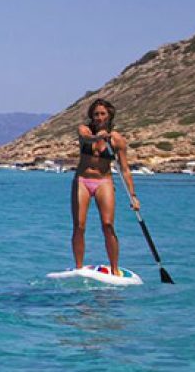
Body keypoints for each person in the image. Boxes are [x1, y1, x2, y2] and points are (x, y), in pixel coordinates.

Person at [72, 98, 141, 273]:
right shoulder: (84, 130)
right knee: (79, 225)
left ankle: (115, 269)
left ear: (109, 116)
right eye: (96, 114)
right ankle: (79, 267)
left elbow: (125, 169)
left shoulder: (117, 140)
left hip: (104, 181)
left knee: (108, 225)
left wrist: (133, 196)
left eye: (103, 114)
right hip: (82, 180)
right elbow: (86, 138)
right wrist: (97, 137)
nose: (99, 117)